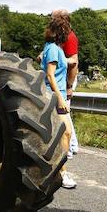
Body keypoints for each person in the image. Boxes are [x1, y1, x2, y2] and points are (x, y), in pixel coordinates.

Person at [41, 15, 76, 189]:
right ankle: (61, 172)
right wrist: (61, 98)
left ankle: (57, 168)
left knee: (64, 133)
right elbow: (50, 74)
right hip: (56, 95)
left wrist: (69, 60)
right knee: (65, 133)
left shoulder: (51, 48)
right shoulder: (54, 49)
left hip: (55, 94)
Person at [52, 10, 80, 157]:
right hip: (62, 79)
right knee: (64, 112)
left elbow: (74, 63)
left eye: (52, 19)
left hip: (65, 81)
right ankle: (73, 146)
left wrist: (69, 86)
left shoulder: (69, 37)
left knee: (63, 112)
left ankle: (69, 147)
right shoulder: (61, 37)